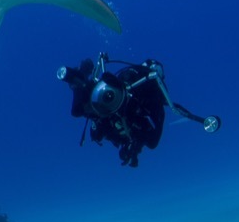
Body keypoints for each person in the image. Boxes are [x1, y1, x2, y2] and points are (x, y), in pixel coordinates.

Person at [57, 53, 220, 167]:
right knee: (88, 115)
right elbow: (170, 112)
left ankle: (80, 80)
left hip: (114, 113)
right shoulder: (139, 85)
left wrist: (134, 148)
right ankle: (79, 79)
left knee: (90, 117)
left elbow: (165, 116)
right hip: (111, 108)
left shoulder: (149, 94)